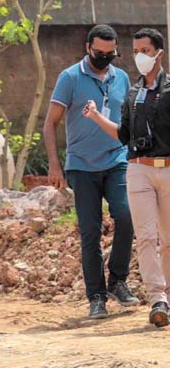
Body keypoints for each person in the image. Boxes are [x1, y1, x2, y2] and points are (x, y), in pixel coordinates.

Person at [44, 24, 138, 319]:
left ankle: (118, 281)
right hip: (81, 166)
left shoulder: (121, 78)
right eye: (99, 53)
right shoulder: (70, 77)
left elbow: (126, 125)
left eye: (110, 54)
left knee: (126, 216)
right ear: (88, 47)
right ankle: (96, 296)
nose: (104, 58)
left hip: (116, 160)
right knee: (90, 231)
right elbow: (51, 124)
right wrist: (55, 164)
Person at [83, 28, 166, 326]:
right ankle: (158, 298)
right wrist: (95, 117)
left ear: (159, 53)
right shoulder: (133, 92)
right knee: (145, 237)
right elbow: (123, 135)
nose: (139, 57)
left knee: (167, 241)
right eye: (135, 51)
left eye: (145, 50)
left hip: (167, 169)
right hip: (137, 168)